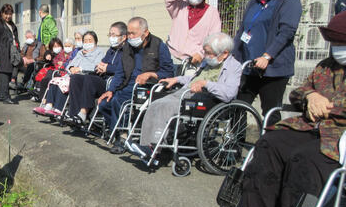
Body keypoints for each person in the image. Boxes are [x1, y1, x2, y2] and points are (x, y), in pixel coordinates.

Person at [232, 11, 346, 207]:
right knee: (269, 143)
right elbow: (299, 92)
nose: (337, 48)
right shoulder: (326, 66)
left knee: (304, 158)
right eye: (335, 43)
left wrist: (326, 105)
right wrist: (310, 96)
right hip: (310, 126)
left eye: (342, 43)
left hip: (339, 136)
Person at [128, 32, 241, 158]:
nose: (206, 56)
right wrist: (175, 79)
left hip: (205, 100)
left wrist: (206, 84)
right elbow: (193, 78)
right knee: (154, 102)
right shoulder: (207, 63)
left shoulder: (234, 67)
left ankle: (153, 147)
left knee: (164, 106)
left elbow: (229, 93)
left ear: (225, 53)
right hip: (187, 93)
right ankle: (145, 144)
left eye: (210, 53)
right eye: (205, 52)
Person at [233, 0, 302, 126]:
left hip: (273, 69)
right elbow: (243, 30)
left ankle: (268, 150)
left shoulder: (288, 0)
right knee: (238, 106)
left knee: (270, 111)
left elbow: (286, 32)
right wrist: (233, 55)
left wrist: (267, 55)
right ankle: (232, 149)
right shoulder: (254, 2)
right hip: (249, 66)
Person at [98, 17, 174, 153]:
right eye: (128, 33)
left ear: (145, 33)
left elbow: (168, 71)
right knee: (104, 103)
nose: (130, 37)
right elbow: (120, 73)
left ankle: (121, 137)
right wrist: (110, 89)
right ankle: (118, 129)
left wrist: (151, 74)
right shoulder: (127, 47)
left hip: (146, 87)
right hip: (127, 84)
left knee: (118, 101)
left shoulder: (158, 46)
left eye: (133, 33)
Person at [67, 21, 127, 124]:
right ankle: (73, 113)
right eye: (110, 34)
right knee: (76, 78)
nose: (111, 37)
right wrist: (99, 67)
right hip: (102, 78)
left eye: (114, 35)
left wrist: (107, 68)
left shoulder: (127, 51)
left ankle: (83, 112)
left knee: (89, 79)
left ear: (124, 37)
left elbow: (124, 68)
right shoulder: (111, 50)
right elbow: (102, 63)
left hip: (112, 83)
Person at [34, 31, 104, 116]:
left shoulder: (99, 52)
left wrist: (80, 68)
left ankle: (58, 109)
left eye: (90, 40)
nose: (87, 43)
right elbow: (69, 64)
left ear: (95, 41)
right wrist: (71, 68)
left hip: (85, 76)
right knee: (55, 80)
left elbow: (96, 66)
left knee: (64, 83)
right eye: (85, 41)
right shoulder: (80, 52)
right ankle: (48, 106)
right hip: (72, 74)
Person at [165, 0, 221, 68]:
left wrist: (201, 53)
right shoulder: (179, 6)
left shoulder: (212, 12)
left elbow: (213, 38)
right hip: (171, 56)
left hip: (192, 61)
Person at [0, 3, 19, 104]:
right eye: (6, 14)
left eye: (10, 14)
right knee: (4, 76)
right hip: (2, 55)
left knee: (9, 73)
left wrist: (18, 49)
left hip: (12, 54)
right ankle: (6, 96)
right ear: (1, 13)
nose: (8, 16)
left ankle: (1, 95)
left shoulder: (12, 25)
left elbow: (16, 39)